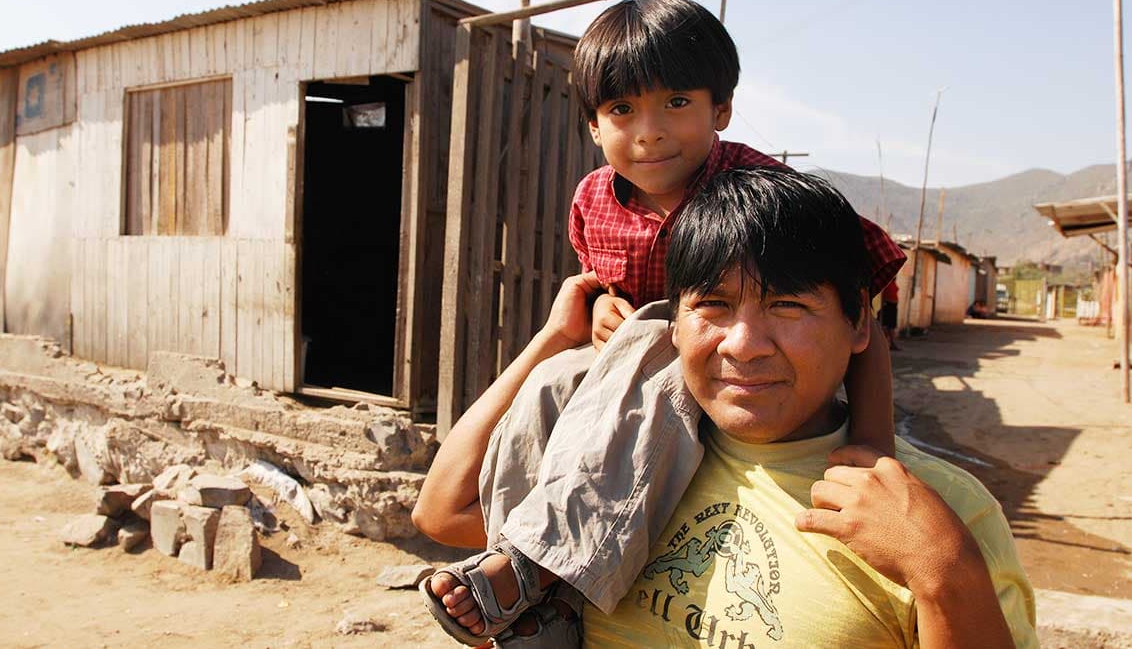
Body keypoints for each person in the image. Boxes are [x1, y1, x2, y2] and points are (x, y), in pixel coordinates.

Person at [413, 0, 906, 645]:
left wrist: (872, 451)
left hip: (715, 376)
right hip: (624, 385)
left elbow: (861, 294)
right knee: (557, 379)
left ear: (721, 110)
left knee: (652, 338)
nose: (649, 131)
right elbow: (598, 289)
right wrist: (592, 313)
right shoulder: (593, 199)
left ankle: (530, 570)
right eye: (622, 109)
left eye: (676, 102)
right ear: (592, 125)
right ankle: (542, 603)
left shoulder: (760, 196)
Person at [422, 168, 1038, 647]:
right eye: (713, 305)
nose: (742, 345)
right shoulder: (629, 454)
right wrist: (556, 339)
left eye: (789, 306)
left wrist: (944, 575)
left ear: (857, 323)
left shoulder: (939, 516)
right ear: (672, 321)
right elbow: (443, 510)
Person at [881, 279, 900, 350]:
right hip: (888, 304)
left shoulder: (892, 282)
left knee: (891, 325)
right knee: (887, 325)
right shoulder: (886, 283)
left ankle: (891, 343)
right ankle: (886, 342)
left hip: (893, 305)